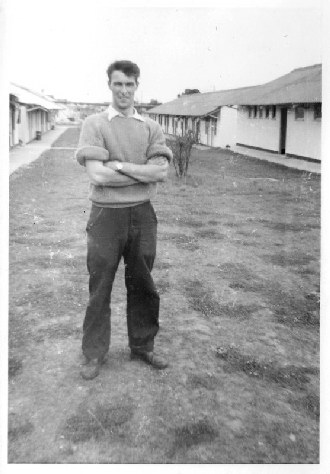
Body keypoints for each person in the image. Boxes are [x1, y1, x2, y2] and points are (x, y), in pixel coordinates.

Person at [76, 60, 172, 380]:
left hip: (143, 215)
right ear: (109, 86)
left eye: (130, 84)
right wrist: (139, 174)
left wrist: (117, 166)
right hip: (106, 216)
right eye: (118, 84)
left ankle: (143, 346)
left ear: (136, 86)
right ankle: (93, 354)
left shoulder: (151, 127)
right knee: (100, 285)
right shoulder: (95, 124)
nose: (124, 91)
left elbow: (160, 171)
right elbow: (95, 173)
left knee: (144, 283)